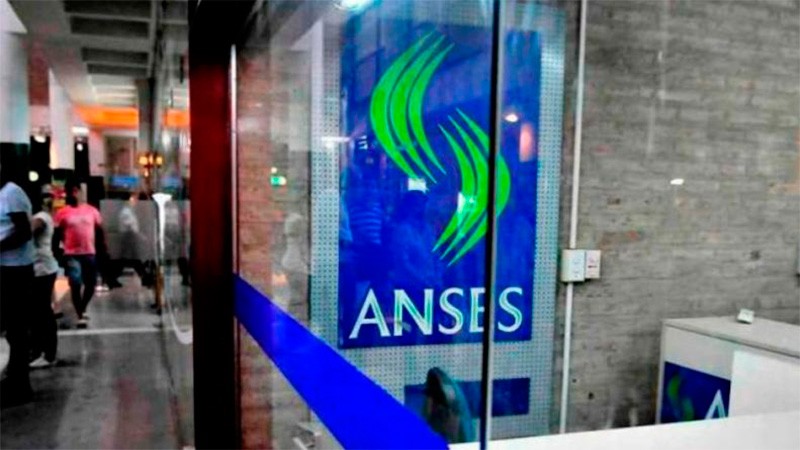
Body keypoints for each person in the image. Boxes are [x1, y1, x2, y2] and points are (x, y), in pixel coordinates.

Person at [0, 153, 35, 404]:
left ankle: (21, 385)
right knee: (10, 328)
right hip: (4, 268)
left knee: (17, 327)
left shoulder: (12, 193)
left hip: (16, 269)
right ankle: (13, 375)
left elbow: (24, 232)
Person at [54, 181, 104, 328]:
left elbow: (99, 230)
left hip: (89, 251)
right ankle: (80, 314)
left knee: (90, 284)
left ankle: (82, 306)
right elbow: (57, 233)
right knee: (75, 283)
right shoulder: (63, 212)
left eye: (77, 190)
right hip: (72, 253)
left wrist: (102, 249)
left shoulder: (92, 211)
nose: (74, 193)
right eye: (72, 191)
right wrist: (58, 250)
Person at [29, 185, 59, 368]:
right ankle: (43, 350)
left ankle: (47, 353)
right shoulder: (45, 216)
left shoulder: (41, 217)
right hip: (43, 267)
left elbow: (28, 231)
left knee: (42, 311)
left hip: (42, 268)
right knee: (41, 310)